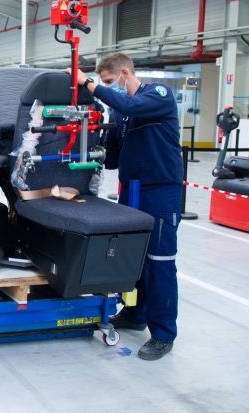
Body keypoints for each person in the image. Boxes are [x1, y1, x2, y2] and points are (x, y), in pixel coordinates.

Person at [66, 52, 182, 361]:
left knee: (159, 262)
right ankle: (135, 314)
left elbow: (130, 105)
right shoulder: (119, 113)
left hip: (160, 192)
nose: (107, 88)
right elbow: (113, 157)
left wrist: (88, 84)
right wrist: (87, 142)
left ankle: (163, 334)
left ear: (125, 74)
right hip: (131, 190)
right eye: (103, 83)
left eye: (109, 82)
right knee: (134, 257)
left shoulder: (158, 95)